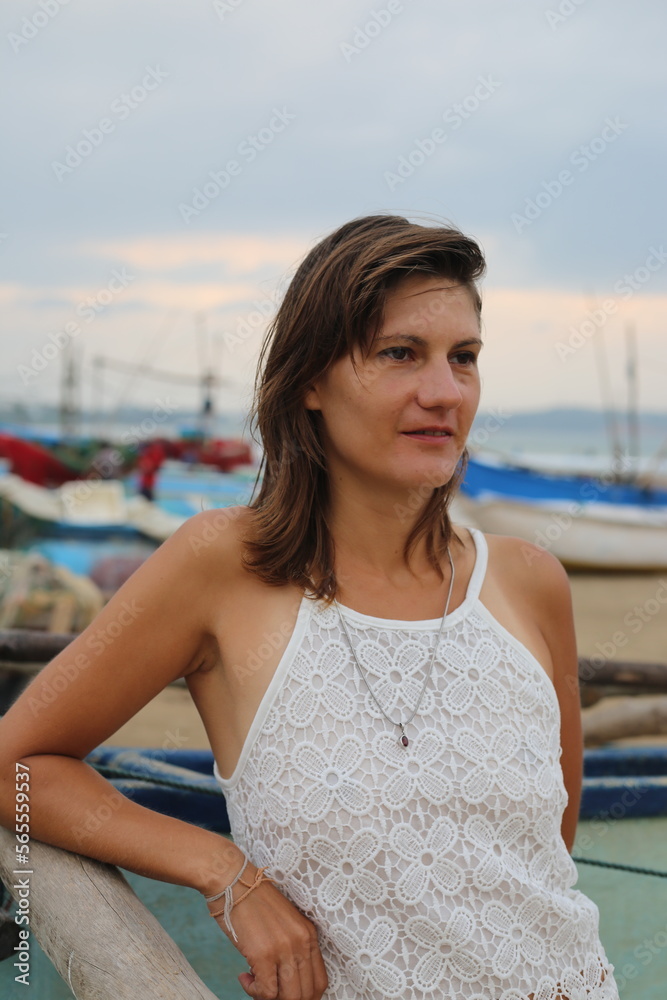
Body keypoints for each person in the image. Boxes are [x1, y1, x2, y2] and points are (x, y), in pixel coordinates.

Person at [0, 214, 619, 1000]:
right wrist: (222, 869)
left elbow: (544, 863)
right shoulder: (220, 567)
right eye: (399, 354)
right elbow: (14, 766)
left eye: (462, 358)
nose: (443, 392)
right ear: (309, 382)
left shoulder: (529, 581)